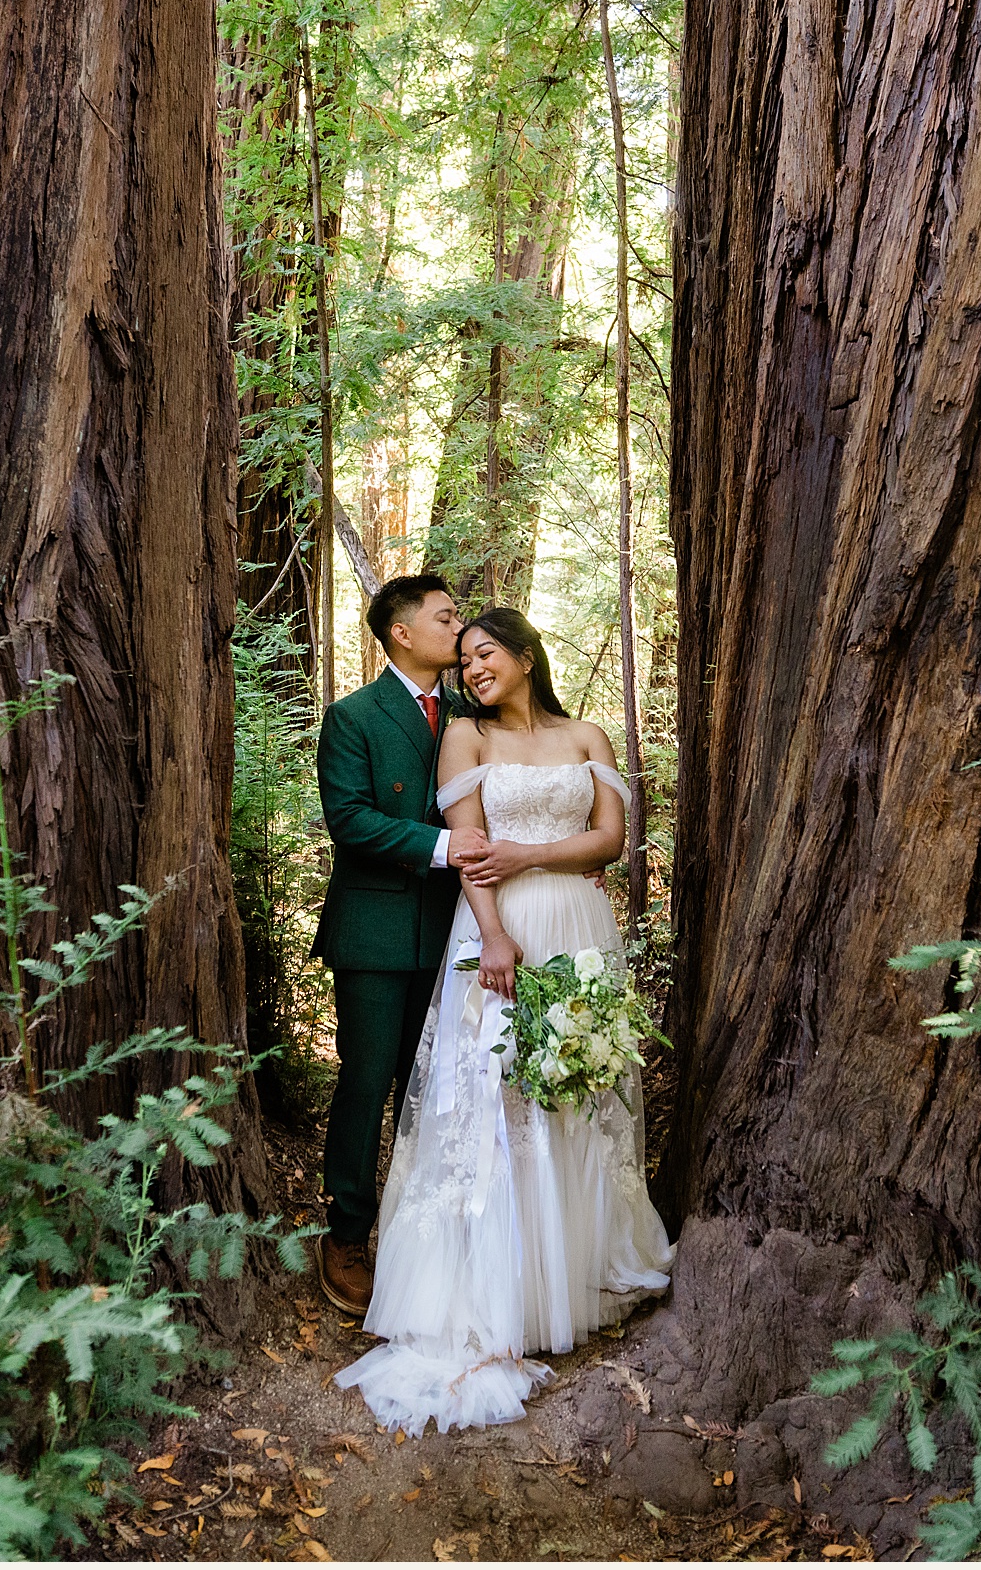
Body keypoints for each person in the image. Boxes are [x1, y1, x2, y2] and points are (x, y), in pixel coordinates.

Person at [334, 607, 673, 1434]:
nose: (472, 665)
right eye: (463, 655)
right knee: (492, 1098)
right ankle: (489, 1284)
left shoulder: (587, 733)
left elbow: (610, 841)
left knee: (573, 1093)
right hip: (497, 933)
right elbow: (468, 844)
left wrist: (531, 854)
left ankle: (573, 1268)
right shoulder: (465, 737)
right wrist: (491, 932)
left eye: (485, 652)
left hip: (579, 932)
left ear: (526, 656)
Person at [311, 573, 487, 1316]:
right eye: (446, 618)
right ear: (402, 633)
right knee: (369, 1079)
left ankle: (423, 1239)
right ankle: (346, 1234)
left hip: (455, 931)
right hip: (374, 933)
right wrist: (445, 846)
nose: (460, 629)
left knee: (439, 1086)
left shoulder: (473, 715)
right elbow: (349, 821)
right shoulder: (353, 716)